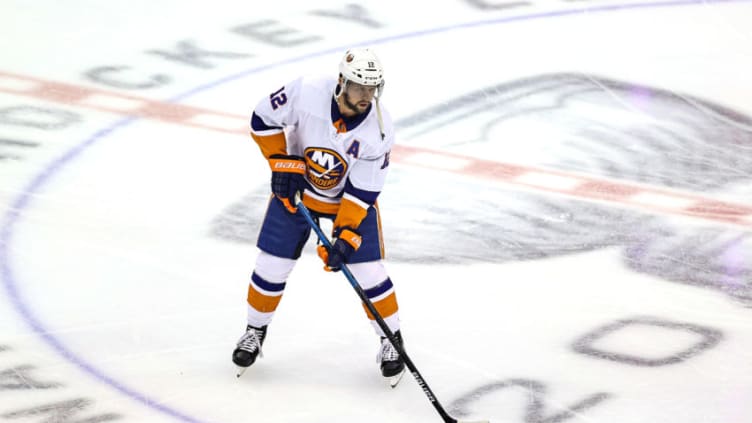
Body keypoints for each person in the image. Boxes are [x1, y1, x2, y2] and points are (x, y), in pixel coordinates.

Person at [232, 47, 405, 383]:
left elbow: (363, 192)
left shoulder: (379, 131)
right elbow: (261, 119)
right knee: (271, 264)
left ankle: (392, 339)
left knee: (368, 270)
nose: (366, 96)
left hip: (347, 200)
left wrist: (345, 236)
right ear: (341, 81)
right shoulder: (306, 92)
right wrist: (282, 163)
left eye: (372, 89)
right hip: (299, 194)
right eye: (359, 87)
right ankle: (255, 331)